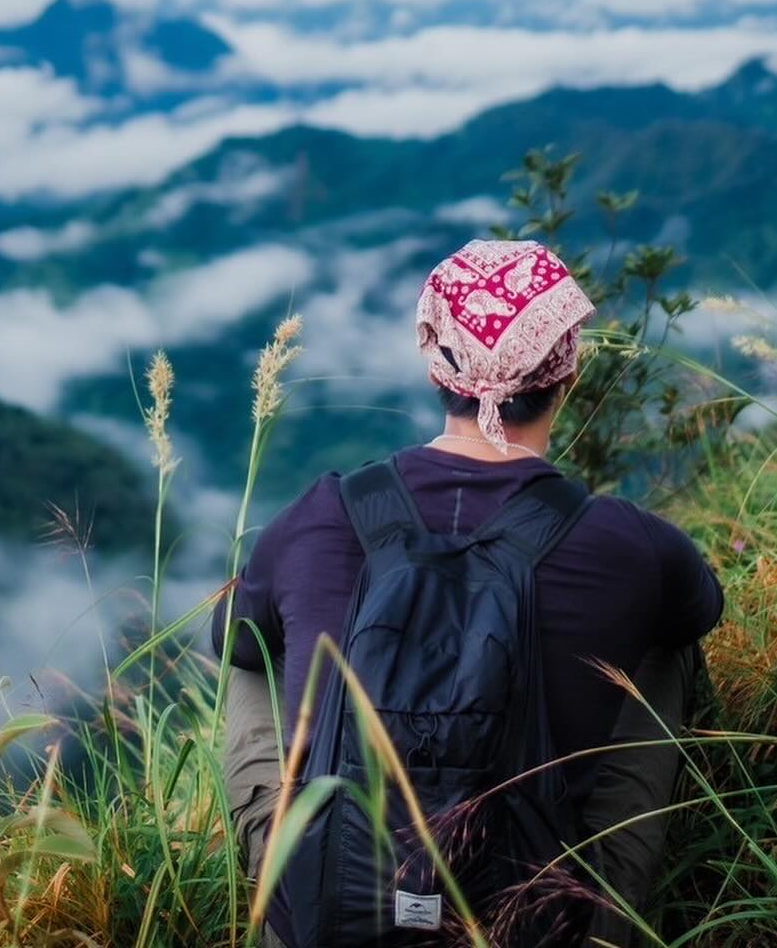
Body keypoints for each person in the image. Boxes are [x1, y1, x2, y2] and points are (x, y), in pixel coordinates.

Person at [216, 238, 723, 946]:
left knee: (246, 649)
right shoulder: (629, 545)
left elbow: (234, 641)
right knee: (672, 640)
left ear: (435, 366)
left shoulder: (322, 514)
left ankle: (292, 878)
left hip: (323, 917)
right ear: (566, 371)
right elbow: (704, 608)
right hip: (543, 925)